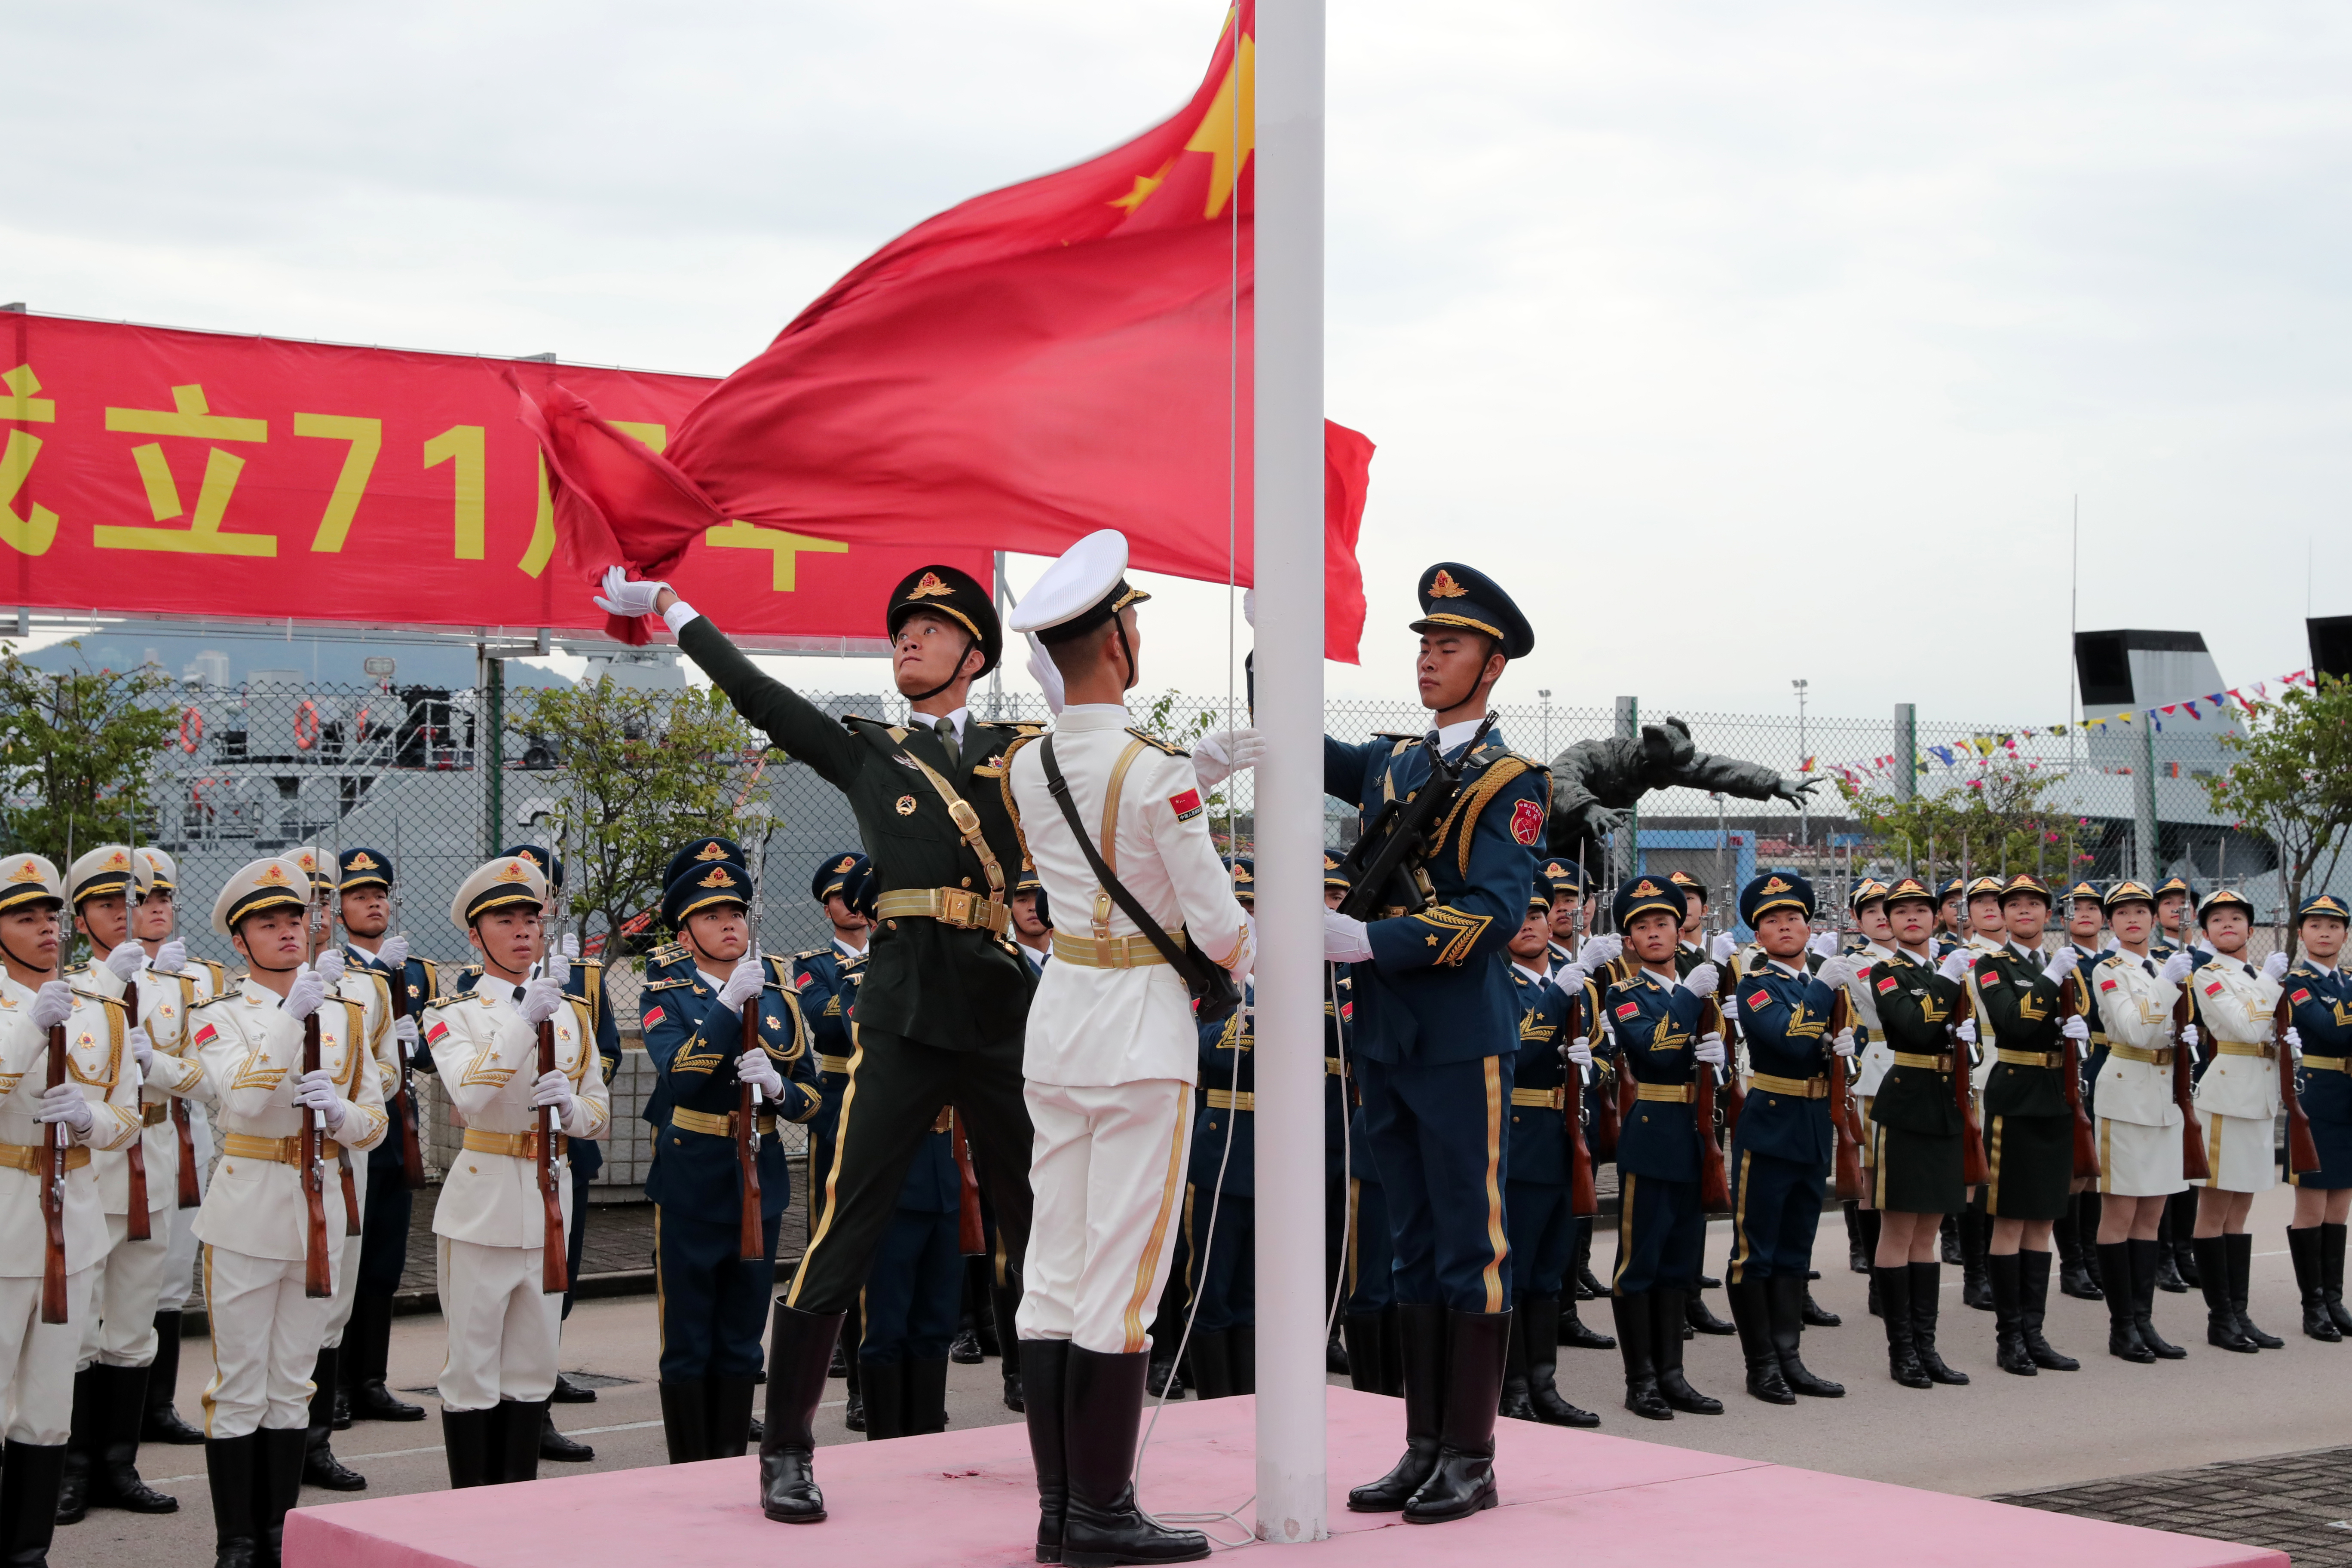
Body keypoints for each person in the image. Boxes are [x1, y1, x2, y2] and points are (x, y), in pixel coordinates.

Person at [594, 561, 1056, 1528]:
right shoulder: (871, 749)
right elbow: (761, 700)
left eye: (928, 631)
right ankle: (790, 1448)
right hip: (901, 1009)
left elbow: (1103, 775)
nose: (906, 643)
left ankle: (1065, 1446)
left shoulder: (1020, 751)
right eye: (901, 631)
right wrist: (677, 611)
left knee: (1039, 1231)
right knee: (845, 1224)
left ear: (974, 654)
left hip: (998, 1010)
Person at [1004, 530, 1254, 1566]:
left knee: (1053, 1269)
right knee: (1124, 1273)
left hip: (1060, 1024)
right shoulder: (1154, 775)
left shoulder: (1026, 763)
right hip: (1142, 1036)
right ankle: (1104, 1514)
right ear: (1116, 640)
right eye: (1132, 620)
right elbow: (1216, 928)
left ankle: (1063, 1510)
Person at [1322, 563, 1547, 1525]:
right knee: (1408, 1247)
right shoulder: (1393, 764)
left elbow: (1497, 913)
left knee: (1472, 1247)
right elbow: (1303, 741)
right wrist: (1271, 636)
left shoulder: (1511, 783)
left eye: (1448, 646)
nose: (1428, 659)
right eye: (1422, 644)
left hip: (1458, 1037)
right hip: (1386, 1037)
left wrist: (1374, 940)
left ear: (1490, 666)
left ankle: (1473, 1454)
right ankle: (1422, 1447)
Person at [189, 857, 388, 1568]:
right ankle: (236, 1542)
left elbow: (375, 1122)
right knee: (240, 1385)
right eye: (267, 924)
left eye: (294, 919)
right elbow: (241, 1100)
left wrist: (342, 1115)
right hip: (247, 1213)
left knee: (292, 1383)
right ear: (239, 942)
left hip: (320, 1212)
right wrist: (288, 1016)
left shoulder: (349, 1015)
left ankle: (278, 1534)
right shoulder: (217, 1016)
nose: (285, 932)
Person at [421, 855, 609, 1488]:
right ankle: (471, 1516)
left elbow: (599, 1114)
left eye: (531, 917)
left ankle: (514, 1517)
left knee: (533, 1367)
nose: (524, 930)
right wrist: (523, 1020)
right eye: (506, 920)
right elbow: (470, 1096)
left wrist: (570, 1106)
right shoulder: (454, 1013)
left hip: (551, 1198)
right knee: (473, 1371)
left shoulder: (573, 1013)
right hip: (483, 1205)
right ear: (476, 936)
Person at [640, 854, 821, 1461]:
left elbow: (814, 1097)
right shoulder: (666, 997)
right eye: (711, 916)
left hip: (759, 1178)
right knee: (690, 1336)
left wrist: (777, 1089)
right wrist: (723, 1011)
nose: (729, 926)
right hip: (694, 1178)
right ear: (684, 933)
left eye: (736, 914)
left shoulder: (780, 1000)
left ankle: (728, 1462)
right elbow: (682, 1080)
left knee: (744, 1334)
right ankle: (690, 1466)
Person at [0, 854, 144, 1568]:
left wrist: (89, 1119)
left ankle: (30, 1552)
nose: (46, 928)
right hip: (3, 1226)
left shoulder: (102, 1013)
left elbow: (127, 1115)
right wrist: (30, 1024)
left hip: (73, 1226)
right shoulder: (22, 1008)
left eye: (51, 915)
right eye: (25, 917)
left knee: (49, 1405)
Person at [57, 846, 201, 1522]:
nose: (125, 915)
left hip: (157, 1162)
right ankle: (71, 1469)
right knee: (81, 1326)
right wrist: (112, 993)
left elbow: (200, 1077)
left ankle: (120, 1463)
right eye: (109, 905)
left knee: (137, 1322)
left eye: (132, 903)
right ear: (82, 918)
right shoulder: (66, 992)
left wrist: (162, 1065)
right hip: (93, 1173)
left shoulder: (177, 990)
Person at [1583, 875, 1724, 1421]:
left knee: (1680, 1264)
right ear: (1630, 942)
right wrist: (1690, 999)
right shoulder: (1624, 996)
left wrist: (1721, 1057)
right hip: (1653, 1135)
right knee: (1639, 1264)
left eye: (1662, 922)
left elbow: (1715, 1070)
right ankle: (1640, 1381)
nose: (1654, 933)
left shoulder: (1704, 993)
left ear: (1679, 927)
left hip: (1694, 1137)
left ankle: (1674, 1376)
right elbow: (1657, 1051)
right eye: (1642, 927)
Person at [1721, 872, 1849, 1404]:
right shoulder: (1756, 986)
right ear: (1759, 936)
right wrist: (1823, 990)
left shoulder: (1815, 987)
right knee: (1756, 1252)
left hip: (1813, 1125)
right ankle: (1762, 1366)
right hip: (1770, 1126)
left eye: (1793, 918)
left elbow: (1841, 1048)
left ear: (1808, 925)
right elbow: (1791, 1041)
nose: (1785, 926)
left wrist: (1846, 1046)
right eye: (1772, 921)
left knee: (1797, 1250)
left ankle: (1791, 1358)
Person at [1962, 874, 2087, 1377]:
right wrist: (2052, 977)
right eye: (2013, 906)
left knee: (2043, 1220)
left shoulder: (2064, 966)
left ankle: (2035, 1333)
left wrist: (2084, 1037)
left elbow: (2081, 1024)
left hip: (2058, 1099)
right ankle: (2009, 1337)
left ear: (2048, 914)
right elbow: (2013, 1022)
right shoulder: (1992, 965)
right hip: (2016, 1097)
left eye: (2034, 905)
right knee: (2010, 1219)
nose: (2024, 913)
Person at [331, 847, 439, 1427]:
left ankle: (372, 1379)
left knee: (384, 1264)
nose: (374, 903)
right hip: (349, 1129)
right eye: (359, 896)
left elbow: (427, 1056)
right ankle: (338, 1383)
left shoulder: (415, 970)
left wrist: (412, 1040)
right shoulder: (330, 970)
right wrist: (377, 978)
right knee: (346, 1257)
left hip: (398, 1127)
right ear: (338, 907)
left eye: (380, 895)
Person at [1495, 886, 1600, 1428]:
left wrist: (1590, 1065)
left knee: (1551, 1273)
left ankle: (1545, 1384)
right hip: (1521, 1141)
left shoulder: (1575, 986)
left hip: (1564, 1140)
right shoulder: (1500, 982)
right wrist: (1559, 996)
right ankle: (1511, 1389)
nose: (1531, 924)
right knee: (1515, 1270)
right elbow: (1520, 1048)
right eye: (1519, 916)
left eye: (1537, 914)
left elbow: (1602, 1059)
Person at [1861, 876, 1970, 1389]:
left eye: (1920, 911)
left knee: (1928, 1232)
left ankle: (1927, 1347)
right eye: (1899, 911)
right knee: (1899, 1229)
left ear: (1936, 918)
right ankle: (1900, 1350)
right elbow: (1916, 1026)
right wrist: (1948, 983)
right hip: (1907, 1103)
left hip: (1946, 1103)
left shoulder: (1952, 968)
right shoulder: (1885, 973)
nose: (1910, 918)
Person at [131, 847, 220, 1451]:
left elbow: (206, 1066)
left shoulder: (203, 977)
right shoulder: (106, 975)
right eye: (145, 901)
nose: (158, 910)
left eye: (165, 900)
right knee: (127, 1277)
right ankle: (119, 1413)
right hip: (127, 1136)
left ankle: (157, 1406)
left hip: (187, 1134)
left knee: (171, 1277)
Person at [2084, 881, 2192, 1363]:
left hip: (2165, 1096)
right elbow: (2133, 1029)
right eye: (2122, 913)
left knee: (2151, 1216)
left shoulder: (2162, 965)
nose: (2133, 920)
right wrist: (2169, 985)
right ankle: (2121, 1326)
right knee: (2121, 1213)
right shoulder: (2108, 970)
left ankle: (2145, 1322)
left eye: (2141, 912)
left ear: (2154, 919)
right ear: (2111, 923)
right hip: (2126, 1095)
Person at [2184, 889, 2287, 1353]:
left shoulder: (2252, 975)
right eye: (2218, 920)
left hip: (2260, 1095)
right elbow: (2246, 1028)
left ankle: (2239, 1312)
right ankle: (2220, 1318)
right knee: (2215, 1209)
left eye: (2238, 918)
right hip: (2227, 1098)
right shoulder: (2207, 975)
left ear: (2250, 929)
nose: (2229, 925)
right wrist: (2270, 984)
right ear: (2205, 933)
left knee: (2241, 1211)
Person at [790, 848, 871, 1406]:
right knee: (834, 1229)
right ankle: (842, 1345)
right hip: (841, 1095)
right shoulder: (813, 963)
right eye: (840, 895)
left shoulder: (900, 947)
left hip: (894, 1093)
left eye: (859, 892)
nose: (852, 903)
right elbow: (829, 1023)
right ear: (827, 908)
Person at [1185, 859, 1260, 1403]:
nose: (1249, 919)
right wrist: (1244, 1021)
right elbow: (1196, 1049)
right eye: (1240, 908)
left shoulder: (1296, 976)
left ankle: (1251, 1400)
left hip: (1277, 1153)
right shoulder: (1194, 976)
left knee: (1258, 1292)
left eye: (1255, 909)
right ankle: (1215, 1400)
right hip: (1220, 1147)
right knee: (1212, 1286)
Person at [2282, 893, 2352, 1342]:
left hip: (2348, 1098)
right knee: (2312, 1204)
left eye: (2334, 925)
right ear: (2303, 933)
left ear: (2345, 934)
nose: (2325, 933)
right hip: (2317, 1101)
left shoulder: (2347, 982)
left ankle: (2334, 1298)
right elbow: (2328, 1030)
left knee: (2340, 1205)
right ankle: (2313, 1308)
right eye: (2316, 925)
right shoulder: (2297, 981)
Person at [2054, 879, 2108, 1302]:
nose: (2085, 914)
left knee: (2095, 1171)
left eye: (2093, 908)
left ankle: (2091, 1258)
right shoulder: (2061, 963)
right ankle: (2073, 1263)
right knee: (2075, 1171)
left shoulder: (2112, 962)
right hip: (2080, 1064)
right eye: (2076, 908)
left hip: (2112, 1067)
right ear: (2063, 919)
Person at [1839, 879, 1894, 1292]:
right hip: (1877, 1073)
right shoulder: (1857, 962)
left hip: (1922, 1069)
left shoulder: (1925, 959)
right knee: (1870, 1170)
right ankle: (1873, 1260)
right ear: (1858, 920)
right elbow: (1885, 1006)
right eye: (1871, 911)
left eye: (1886, 908)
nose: (1881, 916)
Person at [1010, 870, 1052, 974]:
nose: (1033, 907)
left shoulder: (1076, 960)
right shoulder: (1005, 967)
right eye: (1022, 900)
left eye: (1041, 899)